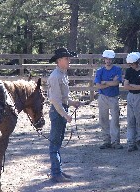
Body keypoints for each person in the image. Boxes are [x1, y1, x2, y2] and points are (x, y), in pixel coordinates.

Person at [47, 47, 83, 182]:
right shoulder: (55, 76)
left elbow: (63, 97)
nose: (69, 61)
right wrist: (64, 115)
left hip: (61, 110)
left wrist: (73, 103)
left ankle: (58, 171)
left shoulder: (62, 74)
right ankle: (56, 173)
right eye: (67, 58)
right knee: (55, 144)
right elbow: (55, 100)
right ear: (59, 60)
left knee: (58, 143)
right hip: (58, 112)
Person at [94, 50, 123, 149]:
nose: (108, 61)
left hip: (113, 97)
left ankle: (115, 141)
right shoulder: (100, 71)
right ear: (104, 59)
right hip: (102, 97)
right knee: (103, 119)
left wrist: (104, 82)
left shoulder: (117, 69)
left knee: (115, 120)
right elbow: (98, 85)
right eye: (106, 59)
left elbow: (116, 83)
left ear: (112, 60)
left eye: (110, 59)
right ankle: (106, 140)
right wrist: (110, 82)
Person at [124, 52, 140, 152]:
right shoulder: (129, 71)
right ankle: (130, 142)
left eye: (132, 64)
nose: (131, 66)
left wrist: (131, 84)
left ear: (138, 62)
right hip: (131, 95)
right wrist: (135, 85)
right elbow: (125, 85)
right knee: (130, 119)